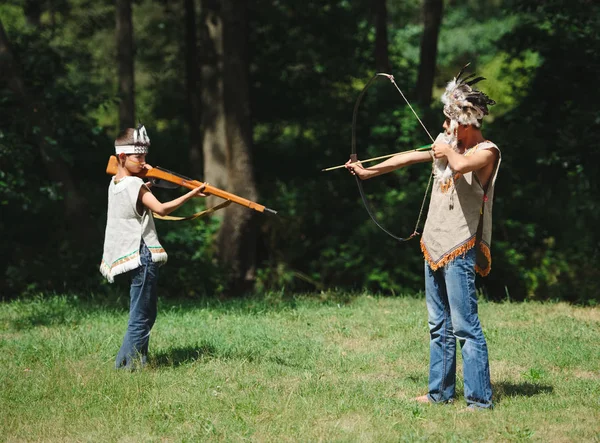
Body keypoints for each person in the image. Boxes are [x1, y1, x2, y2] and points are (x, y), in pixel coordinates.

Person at [346, 66, 500, 410]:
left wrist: (447, 151)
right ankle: (439, 393)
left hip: (460, 247)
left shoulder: (487, 151)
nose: (445, 128)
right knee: (438, 324)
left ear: (465, 122)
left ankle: (479, 400)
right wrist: (370, 171)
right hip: (434, 243)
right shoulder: (449, 144)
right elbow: (411, 156)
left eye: (449, 122)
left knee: (465, 325)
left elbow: (461, 166)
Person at [100, 124, 208, 369]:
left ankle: (135, 363)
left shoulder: (116, 182)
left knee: (142, 313)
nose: (144, 162)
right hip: (143, 255)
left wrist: (146, 187)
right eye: (139, 157)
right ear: (122, 157)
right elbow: (160, 209)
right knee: (142, 316)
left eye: (145, 156)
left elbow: (132, 202)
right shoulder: (135, 185)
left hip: (130, 254)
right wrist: (192, 194)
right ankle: (127, 367)